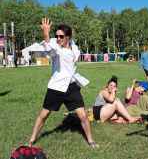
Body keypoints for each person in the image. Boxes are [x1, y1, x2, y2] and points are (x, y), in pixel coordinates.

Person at [29, 18, 97, 148]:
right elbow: (49, 49)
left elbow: (74, 51)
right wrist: (46, 34)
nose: (58, 38)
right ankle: (31, 140)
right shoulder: (55, 48)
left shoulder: (74, 47)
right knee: (44, 115)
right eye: (57, 36)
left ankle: (90, 140)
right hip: (56, 87)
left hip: (71, 87)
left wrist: (72, 35)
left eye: (61, 36)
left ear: (68, 37)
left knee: (83, 115)